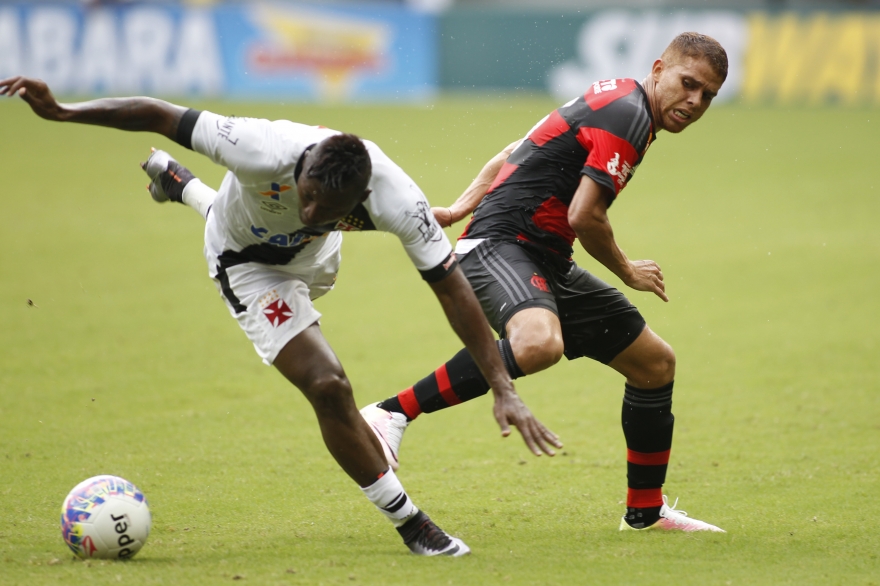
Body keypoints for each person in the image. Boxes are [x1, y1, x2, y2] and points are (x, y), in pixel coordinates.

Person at [0, 76, 563, 555]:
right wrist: (63, 112)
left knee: (299, 238)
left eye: (328, 208)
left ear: (361, 197)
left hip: (317, 263)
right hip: (245, 263)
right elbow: (156, 111)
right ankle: (412, 524)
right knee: (328, 383)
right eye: (307, 194)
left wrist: (501, 385)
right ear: (304, 165)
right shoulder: (258, 145)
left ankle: (184, 190)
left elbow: (453, 290)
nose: (312, 209)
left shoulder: (395, 197)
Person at [359, 32, 729, 532]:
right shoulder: (630, 114)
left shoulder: (616, 96)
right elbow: (585, 216)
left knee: (654, 364)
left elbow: (519, 148)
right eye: (688, 84)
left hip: (543, 256)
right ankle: (389, 413)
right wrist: (627, 271)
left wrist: (461, 205)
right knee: (538, 343)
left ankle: (645, 512)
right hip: (500, 247)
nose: (695, 101)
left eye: (708, 95)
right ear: (659, 68)